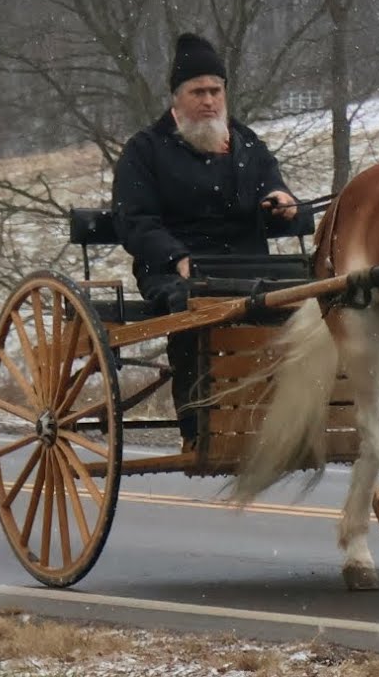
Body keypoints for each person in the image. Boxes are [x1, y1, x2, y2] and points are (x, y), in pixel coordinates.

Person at [111, 32, 300, 448]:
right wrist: (175, 257)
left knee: (310, 297)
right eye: (198, 91)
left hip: (250, 268)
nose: (209, 100)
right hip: (174, 270)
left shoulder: (248, 144)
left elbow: (275, 190)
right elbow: (135, 222)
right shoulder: (144, 150)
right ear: (176, 99)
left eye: (216, 90)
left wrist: (282, 202)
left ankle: (284, 419)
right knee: (195, 306)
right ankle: (202, 427)